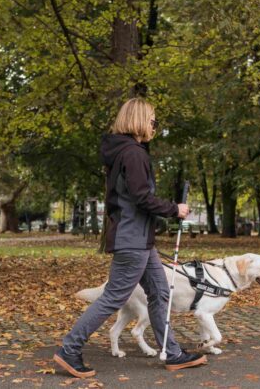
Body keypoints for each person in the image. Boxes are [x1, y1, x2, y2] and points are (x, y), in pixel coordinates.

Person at [53, 98, 207, 378]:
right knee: (113, 297)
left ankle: (172, 353)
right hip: (132, 238)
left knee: (160, 293)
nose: (154, 125)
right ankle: (69, 349)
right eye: (152, 120)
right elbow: (141, 197)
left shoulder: (124, 152)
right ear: (138, 120)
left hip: (139, 239)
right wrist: (175, 209)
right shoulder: (133, 154)